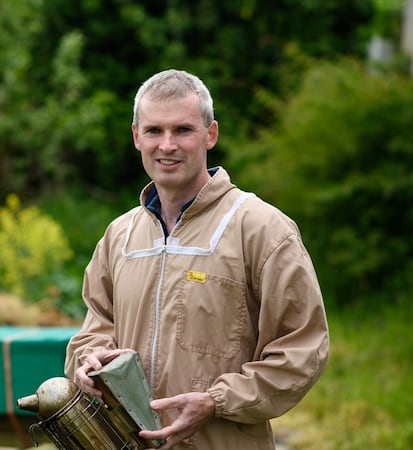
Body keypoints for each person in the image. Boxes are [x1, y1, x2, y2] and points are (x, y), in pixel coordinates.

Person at [64, 69, 329, 449]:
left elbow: (303, 348)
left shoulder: (261, 228)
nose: (167, 145)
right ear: (137, 137)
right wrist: (90, 362)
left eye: (183, 130)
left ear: (211, 134)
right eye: (154, 131)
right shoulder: (119, 236)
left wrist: (216, 401)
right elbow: (93, 329)